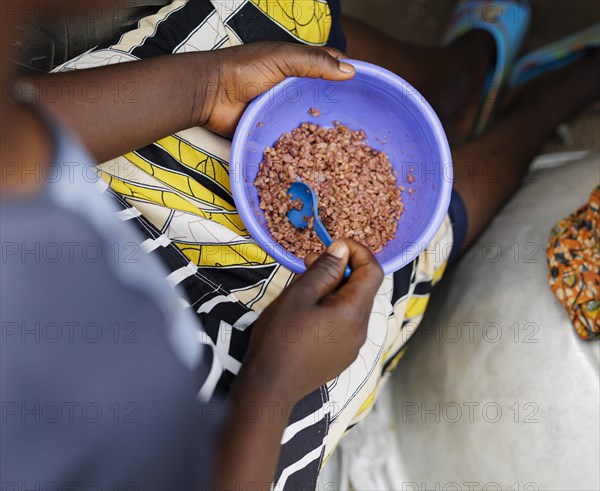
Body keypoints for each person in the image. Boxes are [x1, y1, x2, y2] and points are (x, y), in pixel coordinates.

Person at [2, 0, 599, 489]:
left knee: (266, 20)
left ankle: (458, 85)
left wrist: (204, 87)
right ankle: (541, 112)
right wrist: (274, 382)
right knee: (407, 256)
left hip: (112, 182)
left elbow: (17, 137)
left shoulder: (23, 154)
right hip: (242, 412)